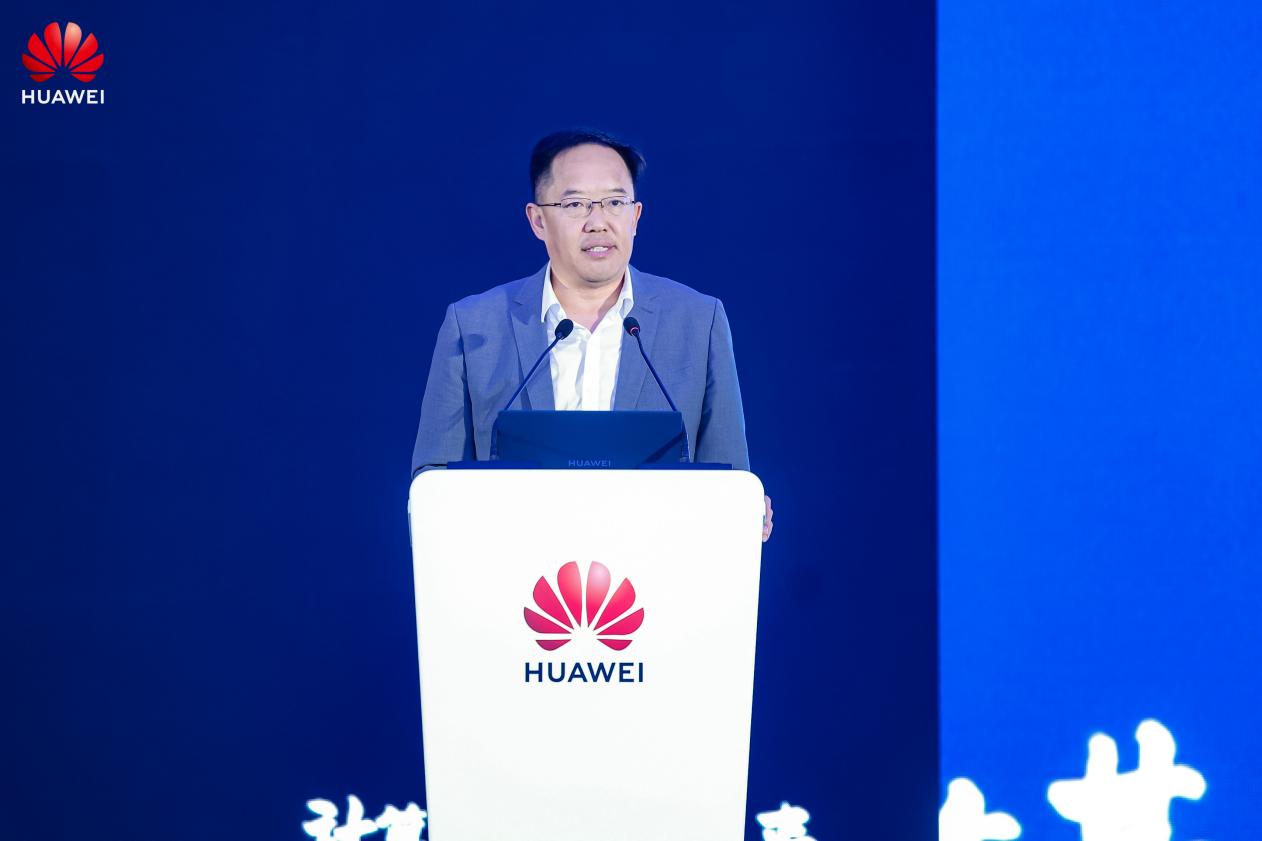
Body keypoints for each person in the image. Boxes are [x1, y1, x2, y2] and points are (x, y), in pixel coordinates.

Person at [411, 129, 773, 541]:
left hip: (654, 569)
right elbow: (432, 485)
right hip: (514, 567)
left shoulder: (698, 322)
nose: (598, 222)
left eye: (615, 203)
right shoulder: (474, 326)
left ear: (636, 216)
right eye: (575, 204)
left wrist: (742, 509)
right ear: (537, 220)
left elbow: (727, 477)